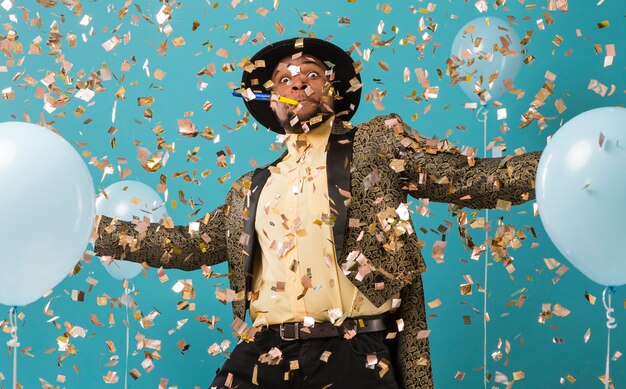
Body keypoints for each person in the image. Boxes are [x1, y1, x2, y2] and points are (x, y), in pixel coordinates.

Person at [94, 37, 541, 389]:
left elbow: (471, 180)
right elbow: (189, 245)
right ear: (268, 99)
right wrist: (89, 227)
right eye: (284, 78)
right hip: (267, 350)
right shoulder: (250, 189)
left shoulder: (375, 144)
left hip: (355, 348)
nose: (298, 82)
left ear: (333, 91)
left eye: (312, 74)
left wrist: (553, 168)